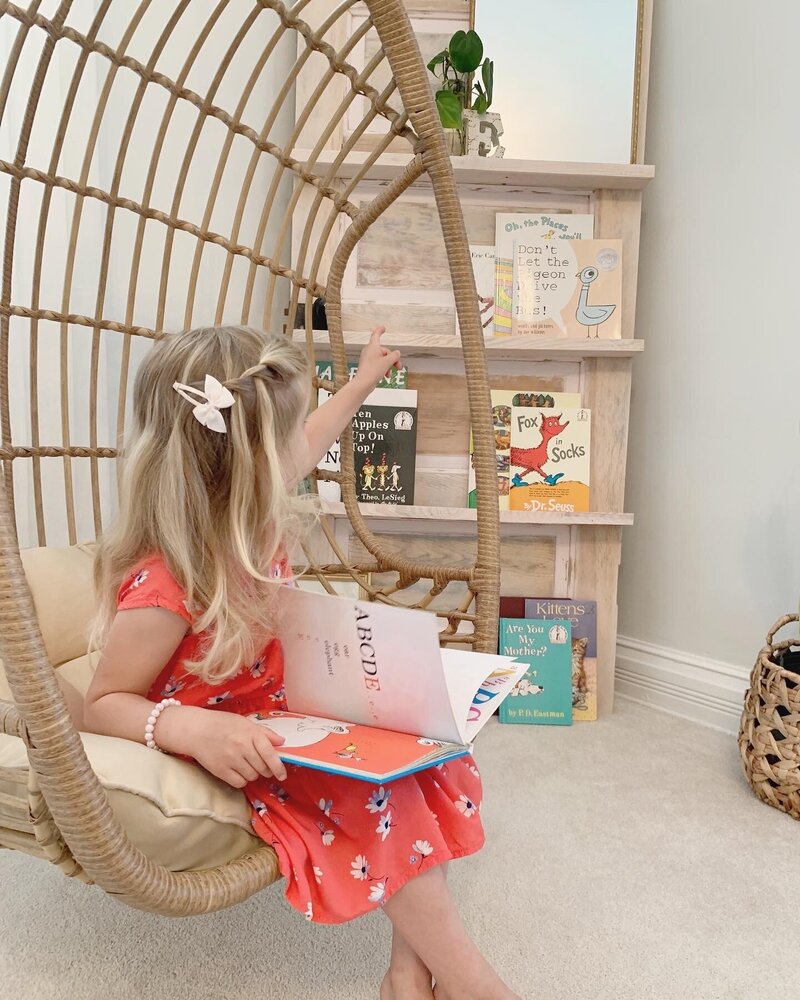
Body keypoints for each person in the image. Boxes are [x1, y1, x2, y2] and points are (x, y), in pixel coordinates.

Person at [84, 325, 520, 1000]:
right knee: (380, 793)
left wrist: (365, 378)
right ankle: (479, 988)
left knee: (429, 748)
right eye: (285, 442)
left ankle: (406, 974)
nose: (300, 456)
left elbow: (312, 434)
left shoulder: (244, 500)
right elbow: (105, 699)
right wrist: (193, 732)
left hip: (289, 708)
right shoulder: (167, 582)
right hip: (238, 741)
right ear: (253, 459)